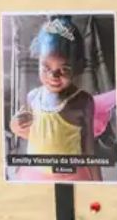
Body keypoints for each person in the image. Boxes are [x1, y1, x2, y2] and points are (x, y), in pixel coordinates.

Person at [8, 16, 100, 182]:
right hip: (36, 174)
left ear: (78, 65)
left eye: (63, 69)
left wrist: (99, 184)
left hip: (72, 175)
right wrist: (15, 126)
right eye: (46, 68)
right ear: (38, 61)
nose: (53, 76)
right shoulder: (33, 97)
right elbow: (33, 134)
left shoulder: (83, 102)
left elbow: (89, 150)